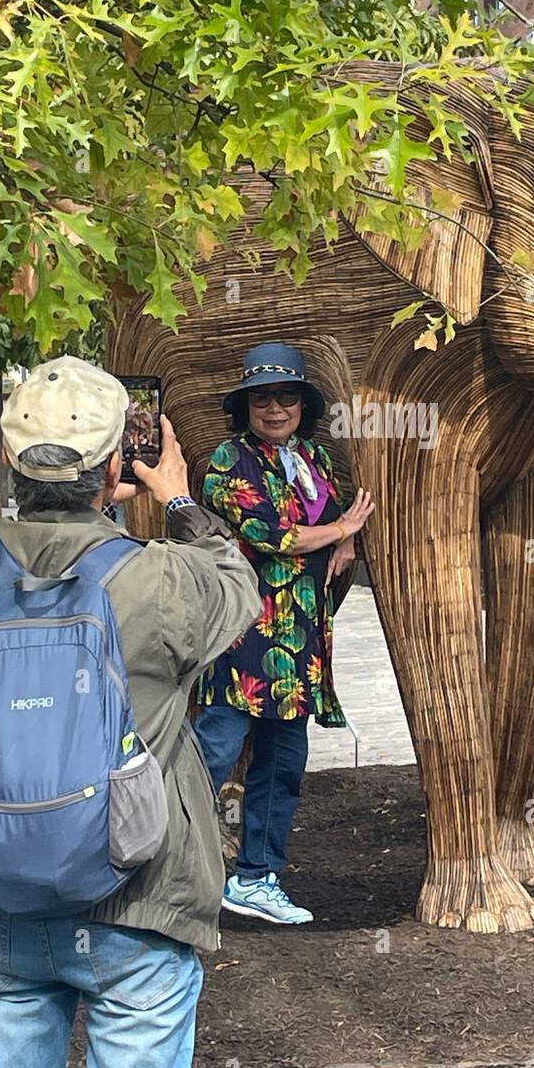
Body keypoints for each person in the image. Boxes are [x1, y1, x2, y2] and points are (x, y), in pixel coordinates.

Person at [0, 355, 261, 1068]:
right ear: (114, 469)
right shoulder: (164, 576)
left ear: (11, 460)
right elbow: (239, 588)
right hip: (136, 898)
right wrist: (177, 501)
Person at [195, 342, 375, 925]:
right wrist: (341, 528)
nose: (275, 408)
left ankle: (256, 879)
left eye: (287, 396)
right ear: (245, 405)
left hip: (299, 641)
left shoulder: (312, 458)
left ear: (303, 403)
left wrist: (345, 536)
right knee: (212, 754)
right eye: (262, 397)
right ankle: (163, 870)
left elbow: (331, 514)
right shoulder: (227, 461)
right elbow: (276, 535)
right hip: (241, 636)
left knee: (282, 763)